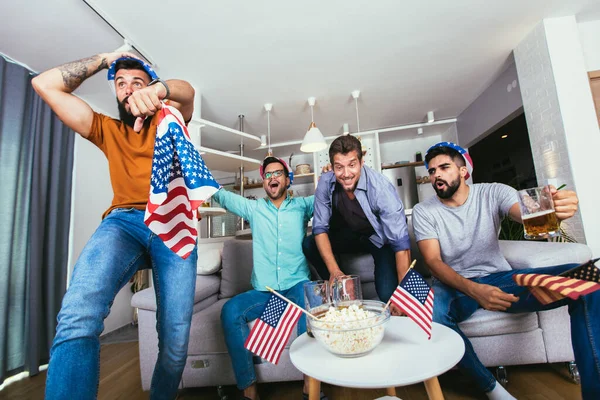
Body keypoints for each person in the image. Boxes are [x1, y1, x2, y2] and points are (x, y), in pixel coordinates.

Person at [32, 52, 197, 400]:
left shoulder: (170, 120)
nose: (128, 90)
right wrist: (106, 59)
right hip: (124, 222)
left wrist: (162, 89)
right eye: (121, 84)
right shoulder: (107, 129)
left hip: (174, 221)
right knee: (78, 311)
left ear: (151, 88)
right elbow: (43, 84)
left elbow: (188, 92)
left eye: (137, 83)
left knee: (176, 340)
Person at [412, 142, 599, 400]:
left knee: (587, 281)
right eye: (432, 171)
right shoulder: (424, 211)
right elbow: (433, 262)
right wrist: (476, 291)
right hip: (454, 286)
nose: (436, 176)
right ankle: (491, 388)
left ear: (463, 170)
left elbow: (527, 216)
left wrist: (555, 210)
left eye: (444, 167)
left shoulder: (493, 192)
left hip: (499, 278)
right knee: (431, 315)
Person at [213, 157, 326, 400]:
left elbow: (326, 198)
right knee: (230, 311)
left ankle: (311, 386)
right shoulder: (255, 209)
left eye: (277, 173)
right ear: (265, 182)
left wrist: (329, 178)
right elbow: (223, 196)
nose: (272, 178)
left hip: (297, 287)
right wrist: (201, 178)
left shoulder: (302, 206)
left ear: (287, 180)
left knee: (311, 300)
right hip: (265, 293)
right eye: (267, 175)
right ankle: (249, 389)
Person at [303, 135, 411, 306]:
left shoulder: (381, 187)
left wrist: (404, 295)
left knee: (388, 296)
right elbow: (320, 228)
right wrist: (334, 271)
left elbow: (400, 243)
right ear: (332, 167)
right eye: (339, 167)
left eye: (352, 165)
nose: (346, 174)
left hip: (378, 239)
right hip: (347, 235)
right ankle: (342, 286)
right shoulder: (325, 181)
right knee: (310, 243)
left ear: (361, 162)